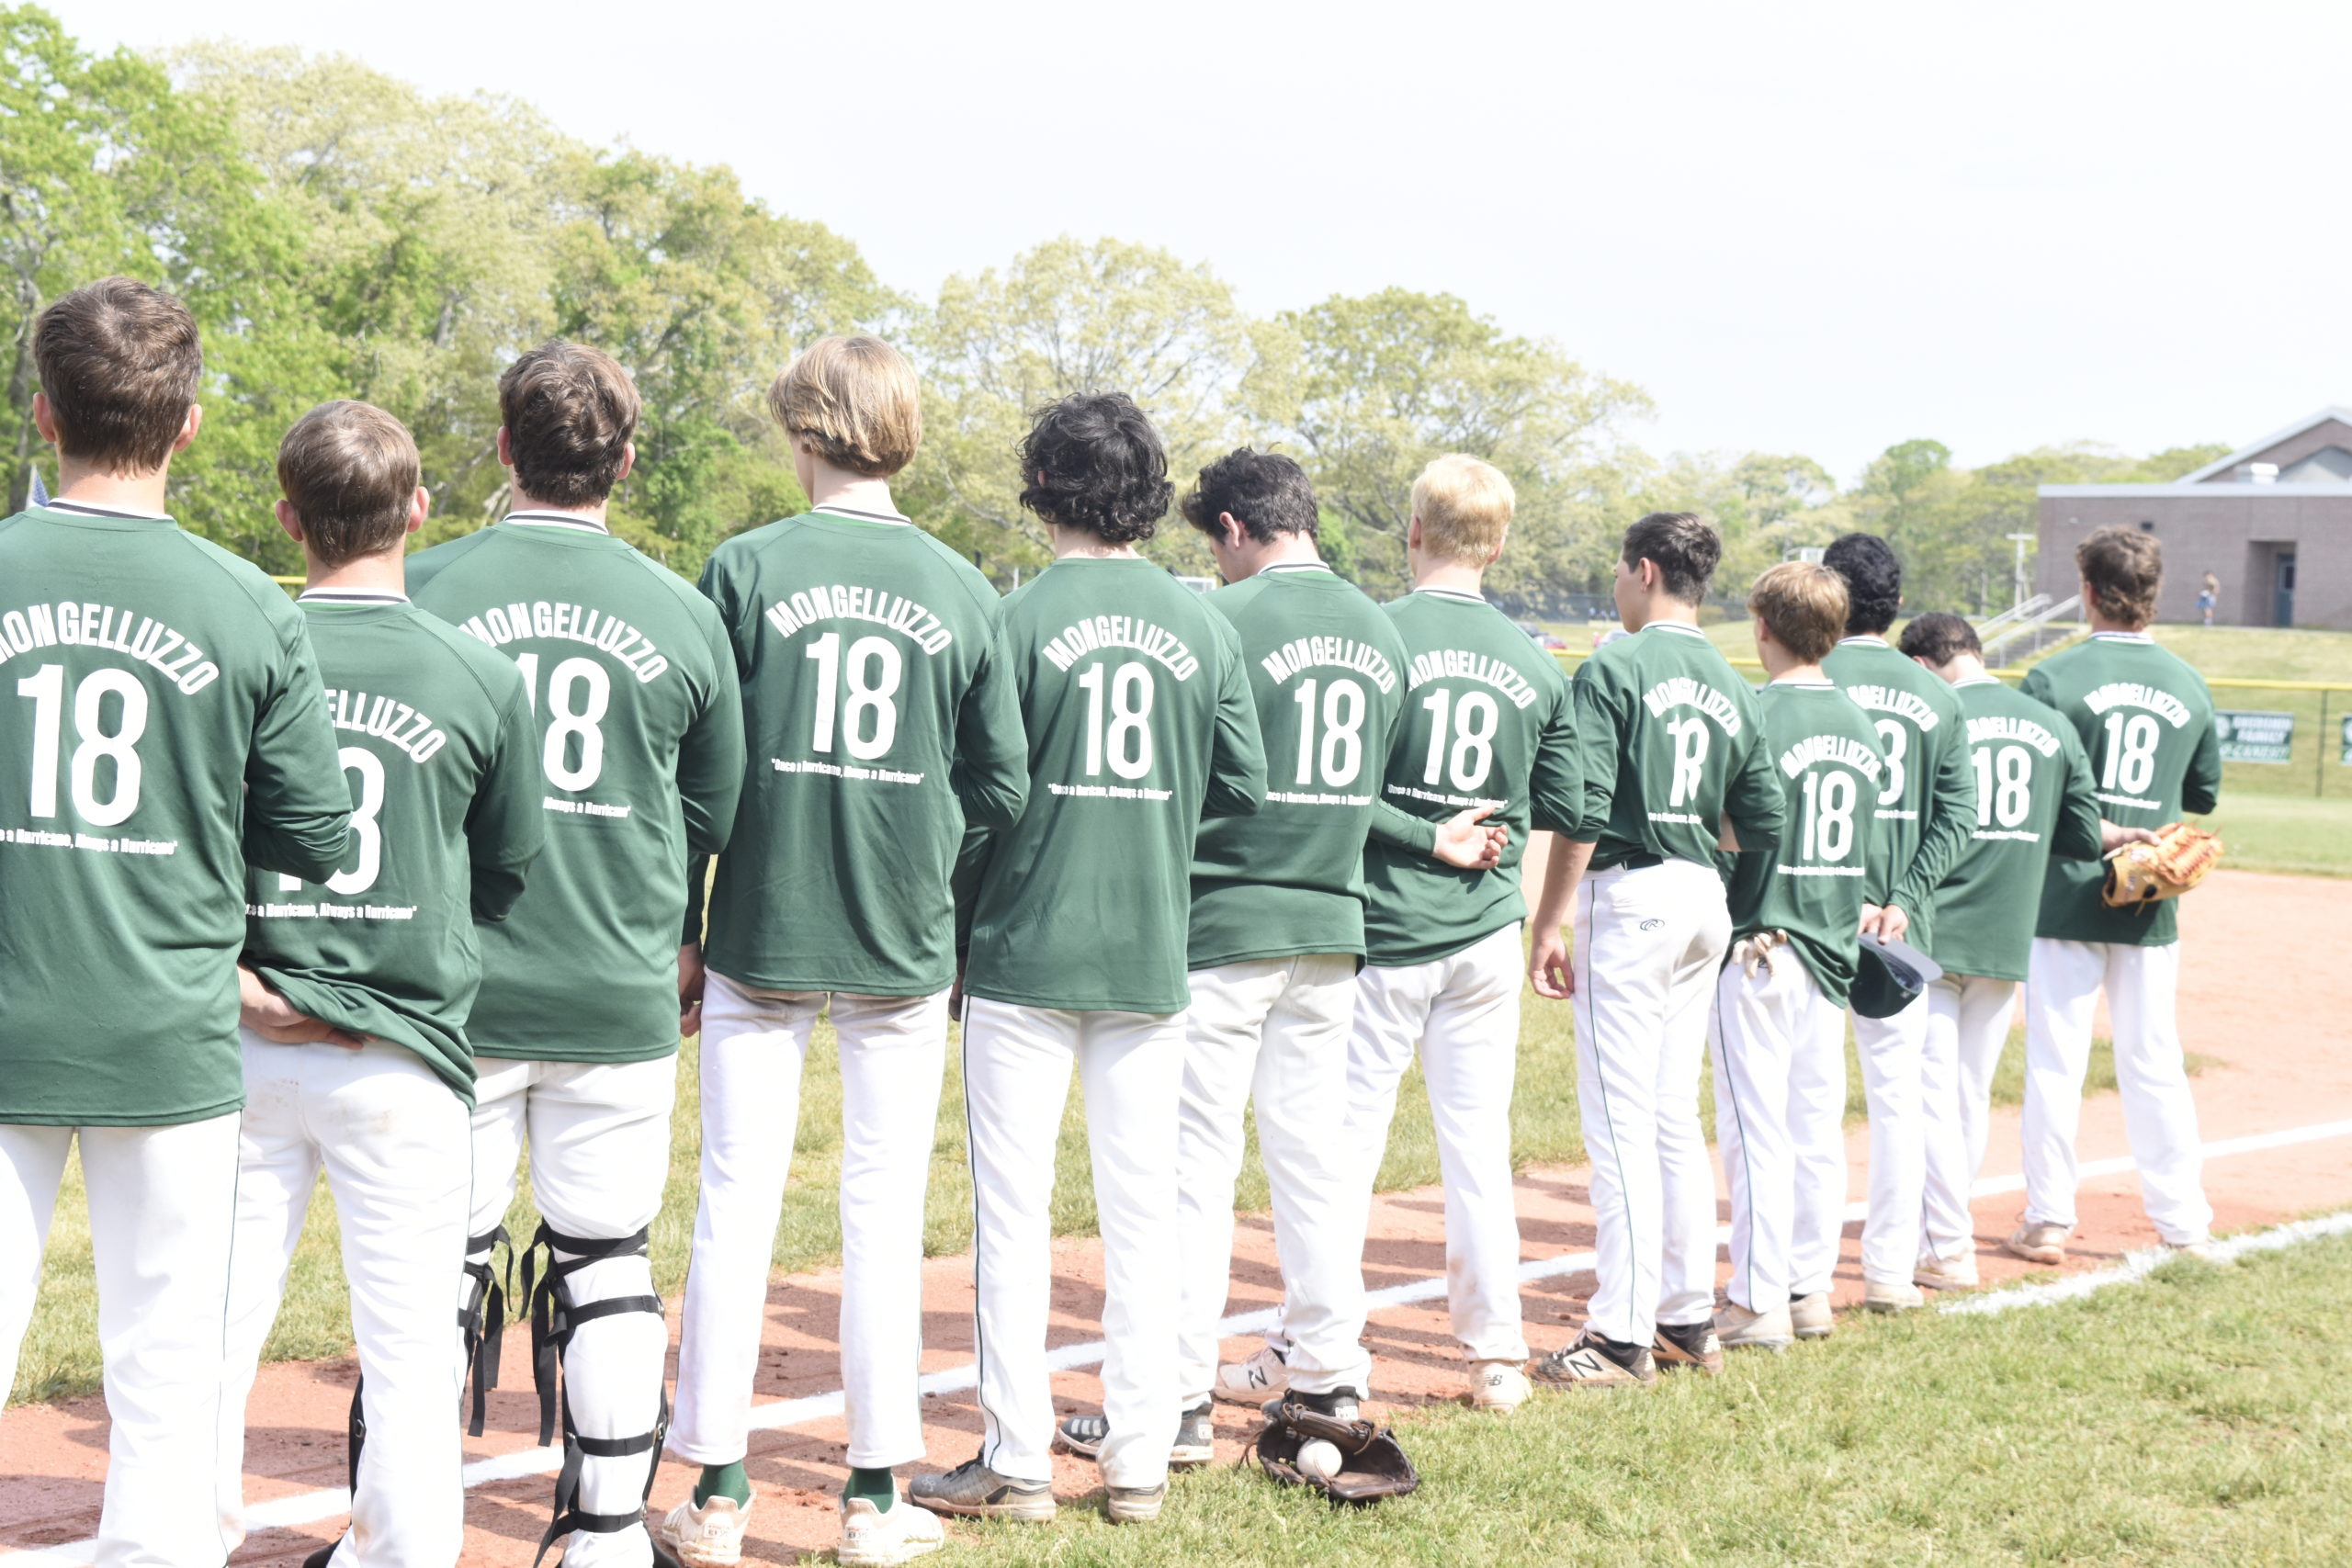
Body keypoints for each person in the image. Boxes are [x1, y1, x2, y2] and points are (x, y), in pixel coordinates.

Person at [0, 277, 352, 1566]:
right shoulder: (248, 599)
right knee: (163, 1346)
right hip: (170, 1017)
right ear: (190, 424)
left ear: (44, 414)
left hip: (7, 1007)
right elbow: (319, 835)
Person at [663, 337, 1026, 1568]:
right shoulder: (964, 583)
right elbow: (1001, 782)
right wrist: (932, 860)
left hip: (763, 922)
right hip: (901, 936)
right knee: (884, 1209)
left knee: (734, 1199)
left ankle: (715, 1490)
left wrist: (689, 916)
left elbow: (697, 767)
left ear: (806, 428)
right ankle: (876, 1495)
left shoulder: (747, 564)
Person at [1068, 450, 1501, 1452]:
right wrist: (1419, 835)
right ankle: (1330, 1380)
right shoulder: (1380, 631)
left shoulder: (1223, 620)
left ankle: (1174, 1402)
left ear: (1231, 529)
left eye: (1209, 544)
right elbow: (1352, 789)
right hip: (1332, 929)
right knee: (1313, 1168)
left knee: (1194, 1171)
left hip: (1224, 924)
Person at [408, 342, 746, 1568]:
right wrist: (682, 933)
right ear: (628, 457)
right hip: (618, 976)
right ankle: (605, 1534)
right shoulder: (683, 610)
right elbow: (711, 809)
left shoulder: (427, 584)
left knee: (435, 1264)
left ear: (503, 447)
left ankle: (405, 1528)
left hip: (452, 987)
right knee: (605, 1258)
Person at [912, 393, 1265, 1528]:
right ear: (1150, 495)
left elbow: (988, 797)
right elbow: (1244, 788)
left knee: (1010, 1218)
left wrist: (962, 910)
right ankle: (1140, 1464)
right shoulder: (1205, 622)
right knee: (1143, 1212)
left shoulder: (1013, 617)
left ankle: (1017, 1463)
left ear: (1043, 488)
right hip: (1151, 955)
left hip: (1022, 948)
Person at [218, 401, 545, 1568]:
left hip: (243, 1036)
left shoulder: (243, 646)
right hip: (401, 1049)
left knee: (209, 1334)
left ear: (288, 518)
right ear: (418, 509)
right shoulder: (480, 670)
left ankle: (179, 1537)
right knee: (412, 1347)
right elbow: (506, 871)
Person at [1261, 454, 1566, 1416]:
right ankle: (1497, 1354)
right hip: (1485, 933)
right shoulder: (1533, 659)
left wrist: (1419, 835)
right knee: (1477, 1147)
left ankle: (1311, 1350)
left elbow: (1337, 790)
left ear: (1413, 532)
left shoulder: (1377, 636)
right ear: (1501, 543)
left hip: (1388, 928)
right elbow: (1549, 805)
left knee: (1340, 1153)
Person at [1527, 513, 1784, 1387]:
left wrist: (1548, 918)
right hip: (1703, 894)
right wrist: (1722, 892)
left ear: (1645, 570)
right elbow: (1764, 822)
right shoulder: (1733, 678)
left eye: (1618, 571)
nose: (1615, 585)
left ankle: (1619, 1334)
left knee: (1621, 1122)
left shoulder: (1617, 662)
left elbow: (1582, 809)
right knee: (1673, 1117)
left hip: (1632, 895)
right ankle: (1684, 1317)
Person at [1896, 611, 2146, 1290]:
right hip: (2009, 933)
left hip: (1931, 927)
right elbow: (2076, 834)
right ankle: (1941, 1229)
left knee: (1931, 1091)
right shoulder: (2051, 723)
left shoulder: (1931, 718)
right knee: (1969, 1091)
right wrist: (2126, 834)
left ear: (1922, 666)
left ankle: (1944, 1243)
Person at [2013, 527, 2220, 1266]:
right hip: (2150, 901)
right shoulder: (2190, 683)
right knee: (2154, 1058)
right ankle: (2183, 1220)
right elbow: (2200, 793)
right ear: (2155, 594)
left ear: (2090, 593)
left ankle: (2047, 1219)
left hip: (2064, 895)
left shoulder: (2052, 678)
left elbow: (2035, 790)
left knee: (2054, 1060)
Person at [1705, 563, 1887, 1352]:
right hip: (1831, 942)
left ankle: (1755, 1299)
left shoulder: (1753, 710)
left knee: (1755, 1129)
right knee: (1815, 1124)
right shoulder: (1861, 721)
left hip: (1762, 938)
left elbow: (1722, 830)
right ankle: (1810, 1290)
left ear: (1764, 629)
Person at [1818, 534, 1976, 1313]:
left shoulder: (1804, 681)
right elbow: (1960, 814)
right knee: (1898, 1100)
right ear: (1897, 606)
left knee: (1801, 1100)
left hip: (1813, 917)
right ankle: (1887, 1272)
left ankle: (1794, 1275)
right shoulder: (1939, 696)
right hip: (1898, 928)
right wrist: (1908, 894)